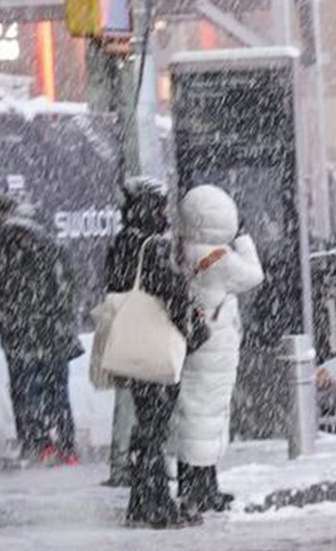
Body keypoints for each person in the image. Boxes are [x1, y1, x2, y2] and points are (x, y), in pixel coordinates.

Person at [104, 177, 209, 528]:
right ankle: (156, 503)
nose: (165, 212)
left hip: (132, 344)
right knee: (155, 428)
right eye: (161, 205)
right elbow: (174, 292)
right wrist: (194, 330)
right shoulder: (153, 245)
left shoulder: (122, 243)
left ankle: (142, 501)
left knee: (146, 422)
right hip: (156, 346)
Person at [170, 185, 265, 516]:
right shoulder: (220, 258)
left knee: (191, 412)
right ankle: (203, 488)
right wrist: (243, 239)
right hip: (214, 346)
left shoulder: (181, 250)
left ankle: (192, 485)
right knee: (207, 416)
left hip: (191, 342)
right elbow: (254, 275)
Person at [0, 200, 82, 465]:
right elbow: (70, 291)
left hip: (21, 336)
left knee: (28, 392)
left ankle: (41, 443)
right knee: (57, 393)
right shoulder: (55, 250)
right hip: (51, 335)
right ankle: (65, 445)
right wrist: (65, 323)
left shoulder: (1, 254)